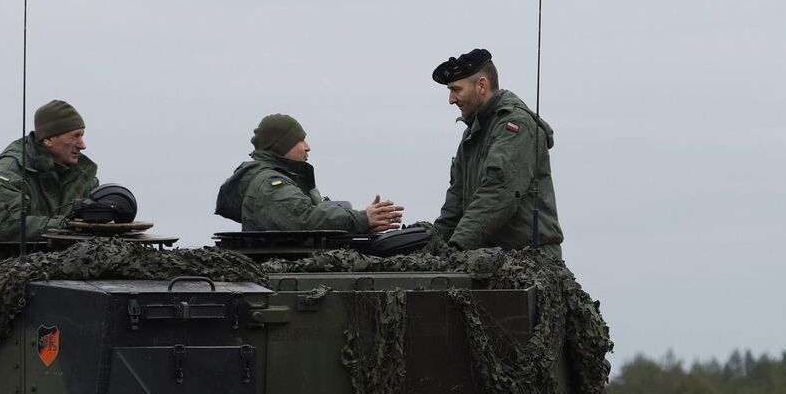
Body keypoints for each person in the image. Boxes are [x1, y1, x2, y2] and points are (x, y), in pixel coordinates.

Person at [431, 48, 561, 256]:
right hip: (486, 258)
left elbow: (499, 191)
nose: (451, 99)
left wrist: (456, 247)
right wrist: (432, 245)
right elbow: (455, 204)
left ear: (482, 85)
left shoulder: (515, 126)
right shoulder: (473, 134)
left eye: (456, 89)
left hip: (526, 261)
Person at [215, 113, 403, 233]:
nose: (307, 147)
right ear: (282, 144)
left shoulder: (278, 179)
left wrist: (363, 225)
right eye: (300, 140)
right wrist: (361, 219)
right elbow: (303, 220)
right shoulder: (270, 183)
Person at [0, 99, 99, 245]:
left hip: (65, 264)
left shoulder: (82, 175)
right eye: (75, 136)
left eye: (82, 135)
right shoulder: (10, 171)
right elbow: (3, 226)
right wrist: (67, 226)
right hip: (5, 264)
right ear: (48, 140)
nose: (82, 145)